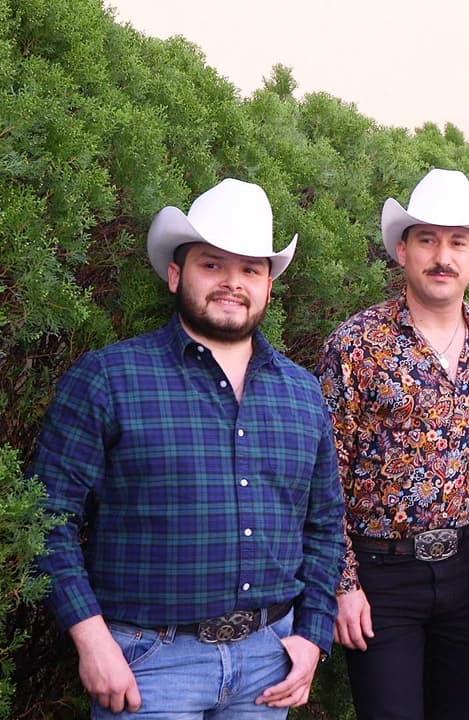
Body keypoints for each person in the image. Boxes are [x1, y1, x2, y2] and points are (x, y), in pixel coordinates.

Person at [32, 178, 346, 717]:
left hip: (269, 662)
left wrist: (313, 635)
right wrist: (91, 639)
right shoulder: (109, 377)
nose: (232, 283)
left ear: (269, 286)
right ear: (177, 274)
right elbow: (48, 516)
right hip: (147, 664)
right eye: (212, 264)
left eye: (250, 269)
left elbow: (325, 524)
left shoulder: (302, 392)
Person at [317, 168, 469, 720]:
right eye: (427, 239)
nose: (442, 257)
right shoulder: (356, 344)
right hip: (382, 575)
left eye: (458, 243)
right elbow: (323, 474)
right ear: (403, 250)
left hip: (468, 572)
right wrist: (343, 584)